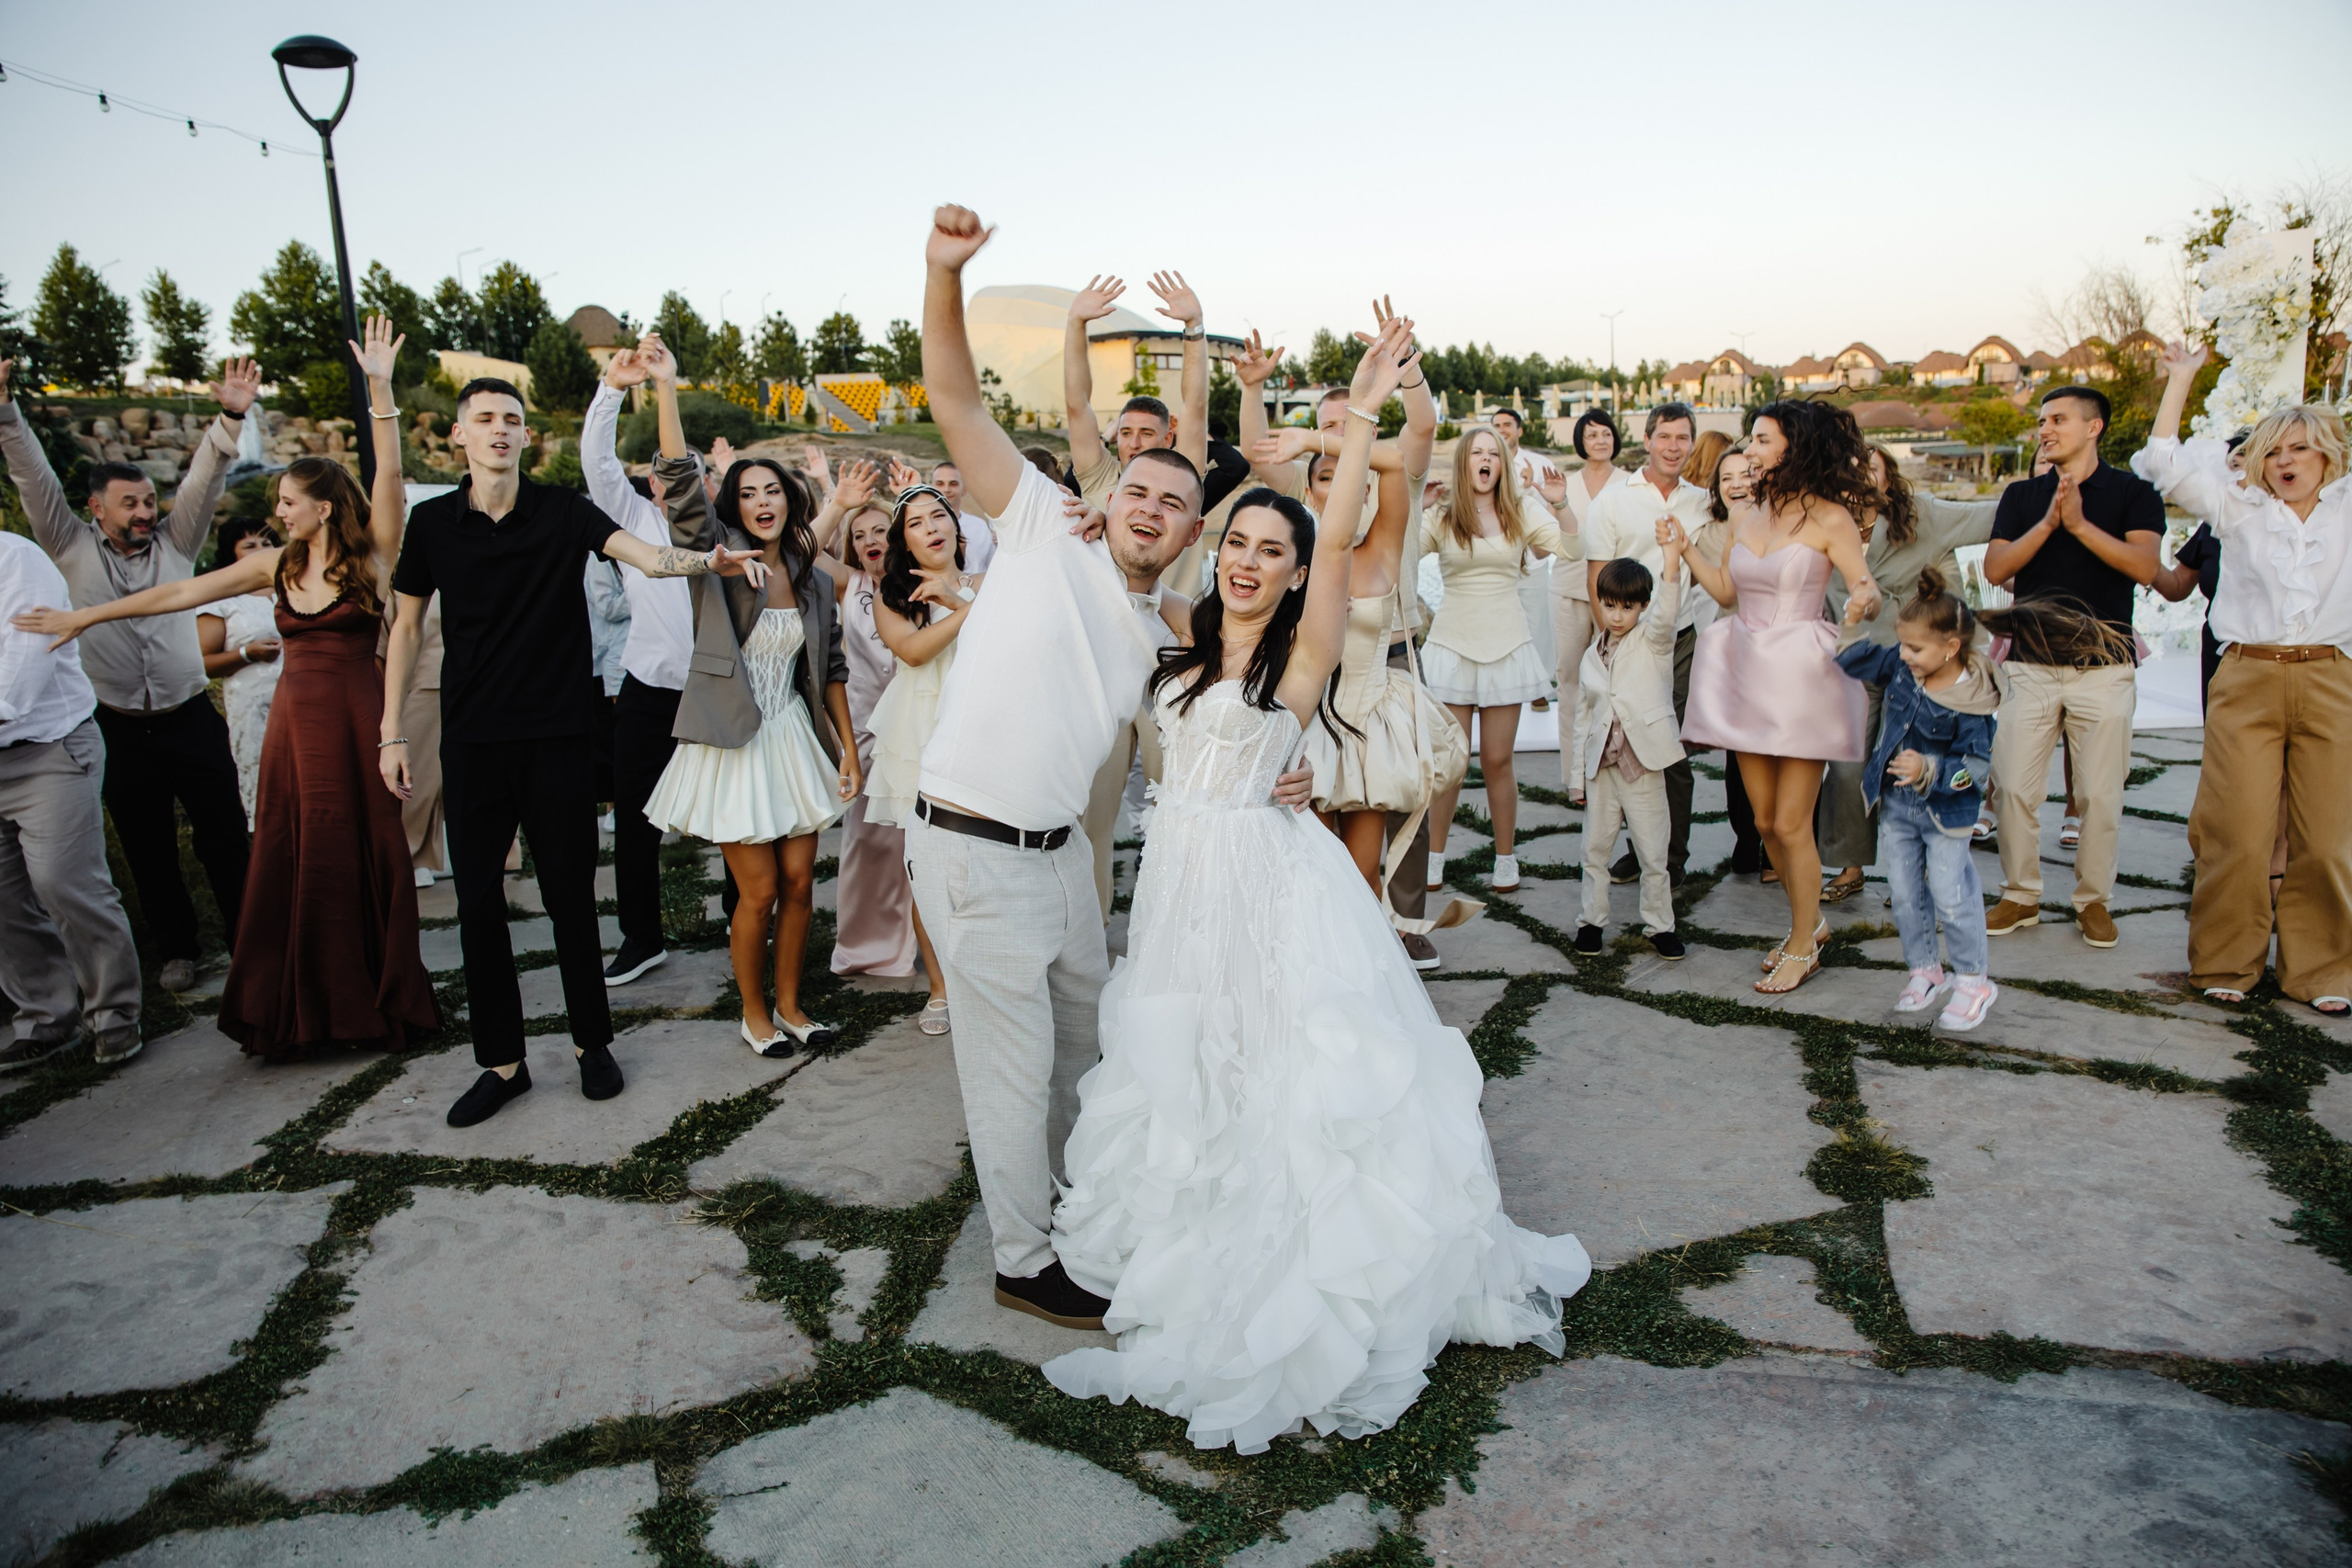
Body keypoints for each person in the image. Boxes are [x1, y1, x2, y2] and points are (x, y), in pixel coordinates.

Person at [1043, 313, 1590, 1453]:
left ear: (1292, 576)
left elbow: (1339, 532)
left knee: (1282, 1065)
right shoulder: (1186, 633)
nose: (1248, 561)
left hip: (1263, 879)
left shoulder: (1302, 652)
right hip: (1180, 881)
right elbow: (1118, 533)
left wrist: (1363, 395)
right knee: (1191, 1052)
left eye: (1269, 552)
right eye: (1236, 543)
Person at [906, 204, 1316, 1332]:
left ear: (1193, 532)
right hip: (973, 845)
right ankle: (1024, 1259)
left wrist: (1294, 769)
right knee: (1009, 1068)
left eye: (1177, 503)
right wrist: (944, 273)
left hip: (1060, 868)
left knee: (1095, 1045)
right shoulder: (1041, 523)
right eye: (1138, 486)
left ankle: (1097, 1205)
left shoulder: (1159, 633)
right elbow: (954, 397)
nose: (1151, 506)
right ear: (1108, 493)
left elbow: (1240, 693)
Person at [19, 318, 435, 1060]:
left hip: (362, 718)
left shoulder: (374, 555)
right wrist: (88, 613)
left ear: (324, 506)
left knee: (364, 851)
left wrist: (379, 389)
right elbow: (174, 596)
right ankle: (297, 1007)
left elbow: (392, 481)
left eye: (287, 501)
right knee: (292, 857)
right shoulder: (272, 567)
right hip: (293, 732)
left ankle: (375, 997)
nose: (277, 511)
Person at [381, 365, 769, 1127]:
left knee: (568, 898)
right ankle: (502, 1061)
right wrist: (392, 730)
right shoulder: (431, 525)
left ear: (526, 435)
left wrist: (708, 560)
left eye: (512, 419)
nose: (500, 429)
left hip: (558, 734)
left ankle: (594, 1044)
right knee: (478, 903)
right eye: (486, 417)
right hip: (470, 740)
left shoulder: (562, 511)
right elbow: (403, 627)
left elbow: (650, 555)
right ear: (459, 434)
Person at [0, 355, 260, 994]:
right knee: (147, 847)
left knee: (225, 834)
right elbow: (32, 475)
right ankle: (177, 949)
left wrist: (230, 416)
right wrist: (5, 408)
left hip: (191, 715)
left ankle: (250, 942)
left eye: (148, 500)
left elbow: (203, 478)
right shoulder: (66, 543)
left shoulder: (175, 542)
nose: (146, 512)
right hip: (116, 725)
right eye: (131, 504)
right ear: (95, 506)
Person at [638, 339, 859, 1057]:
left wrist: (848, 750)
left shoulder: (814, 577)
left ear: (790, 501)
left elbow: (828, 669)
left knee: (801, 884)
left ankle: (793, 1005)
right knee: (757, 892)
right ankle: (753, 1011)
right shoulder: (719, 559)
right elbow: (677, 485)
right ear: (734, 505)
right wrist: (666, 389)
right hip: (734, 739)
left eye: (774, 492)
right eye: (749, 493)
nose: (762, 502)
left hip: (794, 737)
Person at [2139, 343, 2352, 1013]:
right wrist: (2180, 382)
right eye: (2275, 451)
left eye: (2299, 449)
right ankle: (2226, 960)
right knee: (2238, 827)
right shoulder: (2239, 508)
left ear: (2327, 455)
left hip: (2332, 678)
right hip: (2247, 677)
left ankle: (2320, 971)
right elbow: (2164, 467)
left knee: (2327, 837)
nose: (2285, 461)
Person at [1677, 400, 1882, 994]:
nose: (1751, 448)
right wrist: (1683, 548)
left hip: (1800, 677)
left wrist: (1864, 600)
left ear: (1794, 447)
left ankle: (1802, 945)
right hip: (1745, 666)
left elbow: (1862, 583)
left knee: (1793, 822)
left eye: (1762, 439)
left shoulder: (1830, 518)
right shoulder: (1745, 515)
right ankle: (1810, 921)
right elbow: (1725, 589)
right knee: (1765, 820)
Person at [1979, 384, 2164, 949]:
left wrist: (2082, 525)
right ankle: (2021, 893)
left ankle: (2093, 901)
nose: (2046, 429)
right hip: (2031, 665)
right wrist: (2049, 524)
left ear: (2094, 427)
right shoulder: (2021, 495)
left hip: (2103, 667)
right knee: (2011, 785)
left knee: (2100, 794)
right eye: (2042, 420)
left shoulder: (2134, 493)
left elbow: (2145, 567)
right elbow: (1995, 567)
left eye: (2058, 418)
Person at [1296, 307, 1459, 934]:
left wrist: (1407, 367)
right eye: (1329, 427)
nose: (1343, 435)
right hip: (1315, 686)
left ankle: (1403, 927)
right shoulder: (1303, 518)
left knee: (1402, 800)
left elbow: (1423, 424)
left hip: (1388, 662)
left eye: (1353, 422)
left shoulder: (1397, 479)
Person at [1813, 445, 2001, 902]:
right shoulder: (1824, 522)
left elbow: (1992, 516)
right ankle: (1850, 863)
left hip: (1921, 661)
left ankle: (1924, 870)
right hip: (1859, 657)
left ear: (1888, 477)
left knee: (1916, 766)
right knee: (1846, 764)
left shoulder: (1924, 514)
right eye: (1847, 468)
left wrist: (2047, 496)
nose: (1858, 477)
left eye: (1869, 469)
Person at [1833, 569, 2004, 1032]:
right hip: (1898, 809)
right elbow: (1855, 660)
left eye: (1915, 648)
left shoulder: (1972, 700)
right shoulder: (1904, 669)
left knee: (1951, 894)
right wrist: (1851, 621)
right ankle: (1926, 970)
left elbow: (1976, 769)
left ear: (1951, 648)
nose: (1904, 655)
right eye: (1903, 645)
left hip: (1947, 813)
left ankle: (1973, 981)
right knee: (1906, 895)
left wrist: (1929, 770)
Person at [0, 522, 142, 1068]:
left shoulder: (16, 560)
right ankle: (44, 1020)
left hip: (48, 750)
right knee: (5, 900)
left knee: (65, 882)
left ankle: (114, 1015)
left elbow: (19, 678)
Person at [582, 345, 695, 983]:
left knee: (731, 813)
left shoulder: (717, 530)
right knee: (634, 817)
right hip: (649, 691)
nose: (678, 482)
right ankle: (641, 937)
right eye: (667, 475)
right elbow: (598, 466)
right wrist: (612, 392)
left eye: (692, 474)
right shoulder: (632, 520)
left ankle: (744, 915)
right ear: (652, 485)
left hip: (713, 692)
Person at [1419, 426, 1570, 894]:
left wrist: (1560, 505)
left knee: (1498, 760)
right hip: (1452, 645)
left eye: (1494, 453)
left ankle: (1506, 859)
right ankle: (1433, 857)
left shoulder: (1521, 511)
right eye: (1477, 453)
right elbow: (1398, 555)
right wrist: (1415, 506)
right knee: (1452, 763)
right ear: (1464, 462)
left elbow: (1573, 548)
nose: (1486, 460)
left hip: (1506, 644)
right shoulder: (1442, 516)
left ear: (1502, 465)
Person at [865, 482, 984, 1033]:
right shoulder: (891, 595)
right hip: (919, 731)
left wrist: (964, 596)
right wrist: (971, 611)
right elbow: (913, 651)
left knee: (986, 862)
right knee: (927, 870)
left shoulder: (990, 582)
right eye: (916, 523)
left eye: (938, 516)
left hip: (982, 725)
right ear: (904, 542)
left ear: (957, 529)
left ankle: (985, 979)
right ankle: (939, 990)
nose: (931, 527)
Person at [1578, 403, 1713, 883]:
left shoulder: (1702, 502)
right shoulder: (1614, 501)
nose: (1673, 447)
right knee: (1626, 741)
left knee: (1668, 745)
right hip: (1627, 642)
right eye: (1665, 437)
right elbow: (1596, 577)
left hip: (1680, 640)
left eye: (1682, 438)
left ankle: (1670, 859)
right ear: (1648, 439)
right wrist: (1613, 645)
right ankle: (1640, 847)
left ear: (1691, 444)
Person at [814, 463, 923, 980]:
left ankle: (928, 942)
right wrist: (837, 503)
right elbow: (801, 551)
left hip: (918, 729)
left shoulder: (920, 584)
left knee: (920, 841)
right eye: (859, 535)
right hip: (862, 731)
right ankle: (864, 946)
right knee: (867, 840)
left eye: (880, 529)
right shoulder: (848, 583)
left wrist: (913, 496)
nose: (870, 539)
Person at [1572, 548, 1686, 961]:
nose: (1616, 616)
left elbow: (1668, 614)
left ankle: (1660, 926)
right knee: (1594, 850)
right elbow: (1583, 720)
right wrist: (1576, 777)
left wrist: (1672, 567)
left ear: (1643, 607)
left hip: (1644, 764)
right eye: (1608, 606)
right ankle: (1591, 922)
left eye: (1627, 608)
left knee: (1654, 851)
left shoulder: (1654, 642)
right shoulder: (1590, 656)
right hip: (1602, 769)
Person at [1541, 410, 1630, 798]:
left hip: (1617, 599)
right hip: (1568, 590)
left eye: (1606, 433)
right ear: (1580, 441)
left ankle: (1616, 772)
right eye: (1591, 434)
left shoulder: (1630, 484)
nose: (1600, 440)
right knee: (1571, 681)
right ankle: (1573, 777)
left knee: (1617, 683)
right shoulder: (1563, 484)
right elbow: (1545, 538)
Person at [195, 516, 285, 818]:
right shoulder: (222, 598)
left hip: (304, 702)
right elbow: (203, 663)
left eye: (267, 543)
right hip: (255, 709)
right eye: (249, 545)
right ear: (231, 554)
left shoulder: (294, 589)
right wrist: (248, 653)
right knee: (267, 790)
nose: (261, 550)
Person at [1492, 407, 1559, 709]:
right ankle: (1495, 689)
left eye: (1508, 424)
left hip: (1532, 560)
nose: (1502, 429)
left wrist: (1530, 490)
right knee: (1496, 624)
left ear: (1519, 430)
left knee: (1537, 625)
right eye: (1497, 425)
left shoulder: (1541, 464)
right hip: (1494, 561)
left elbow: (1553, 512)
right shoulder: (1484, 462)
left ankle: (1539, 688)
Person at [932, 460, 995, 572]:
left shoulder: (979, 526)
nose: (946, 489)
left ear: (964, 490)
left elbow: (992, 566)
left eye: (953, 484)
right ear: (931, 488)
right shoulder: (926, 528)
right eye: (940, 484)